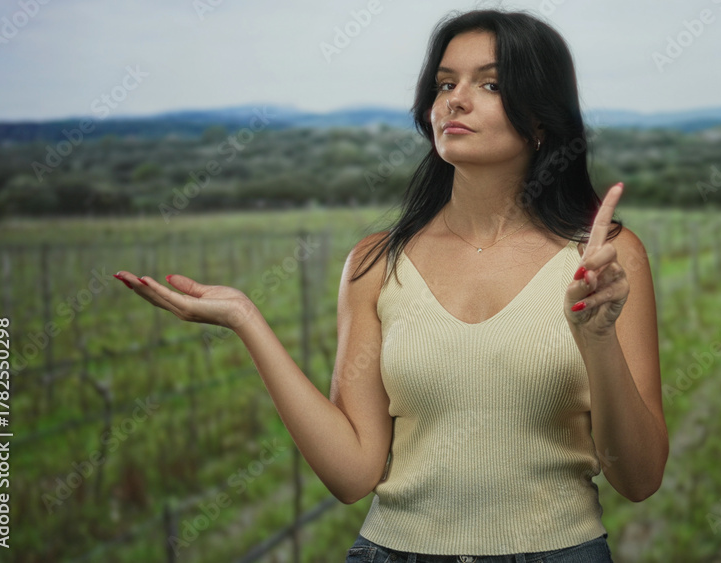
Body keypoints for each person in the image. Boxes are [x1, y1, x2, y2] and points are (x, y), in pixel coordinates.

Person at [114, 8, 667, 562]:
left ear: (541, 119)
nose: (455, 99)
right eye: (445, 83)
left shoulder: (605, 262)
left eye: (490, 84)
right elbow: (353, 474)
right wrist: (247, 320)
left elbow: (638, 478)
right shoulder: (377, 264)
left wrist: (598, 338)